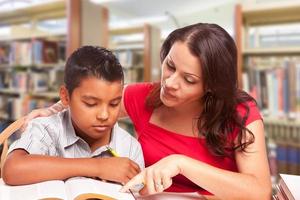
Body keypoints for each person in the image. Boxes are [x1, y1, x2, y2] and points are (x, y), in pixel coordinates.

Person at [21, 23, 272, 199]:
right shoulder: (146, 96)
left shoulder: (239, 110)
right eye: (170, 66)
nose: (170, 83)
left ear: (211, 86)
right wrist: (53, 110)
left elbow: (259, 191)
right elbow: (92, 100)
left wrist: (181, 164)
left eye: (189, 80)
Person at [2, 46, 144, 185]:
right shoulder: (46, 129)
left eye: (114, 104)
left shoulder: (130, 147)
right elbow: (12, 169)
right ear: (65, 97)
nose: (104, 115)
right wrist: (98, 167)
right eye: (90, 103)